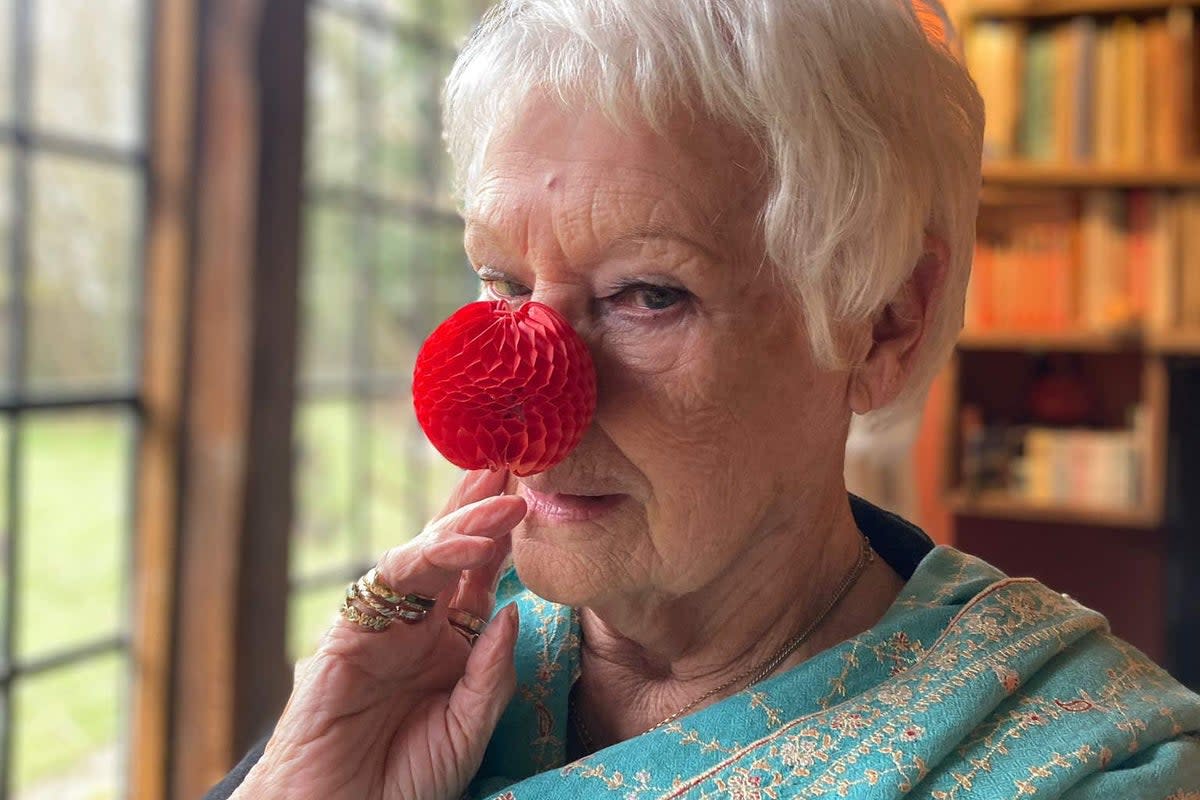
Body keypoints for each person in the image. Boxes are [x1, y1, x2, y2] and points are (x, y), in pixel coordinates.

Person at [208, 1, 1200, 797]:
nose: (522, 400)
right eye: (503, 284)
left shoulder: (1093, 767)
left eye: (647, 293)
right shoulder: (424, 657)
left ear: (882, 319)